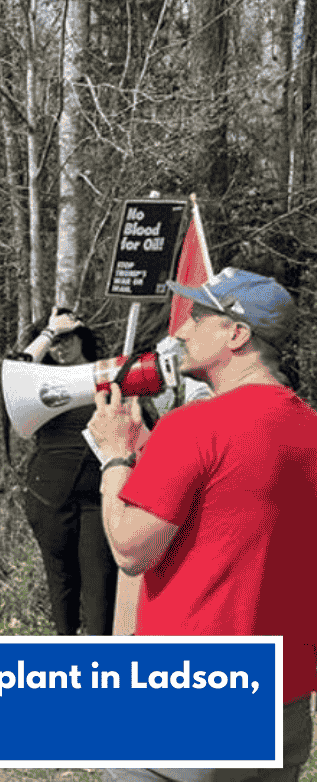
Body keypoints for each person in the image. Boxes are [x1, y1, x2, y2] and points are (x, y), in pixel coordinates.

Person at [88, 268, 316, 782]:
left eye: (197, 317)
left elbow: (130, 549)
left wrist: (115, 460)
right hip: (285, 703)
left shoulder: (193, 425)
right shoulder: (310, 429)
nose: (180, 332)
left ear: (237, 335)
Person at [12, 308, 116, 636]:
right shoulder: (35, 382)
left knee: (100, 585)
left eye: (66, 337)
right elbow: (15, 369)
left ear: (82, 335)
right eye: (53, 341)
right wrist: (47, 333)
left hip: (98, 495)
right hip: (49, 497)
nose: (60, 346)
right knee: (62, 583)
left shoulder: (106, 374)